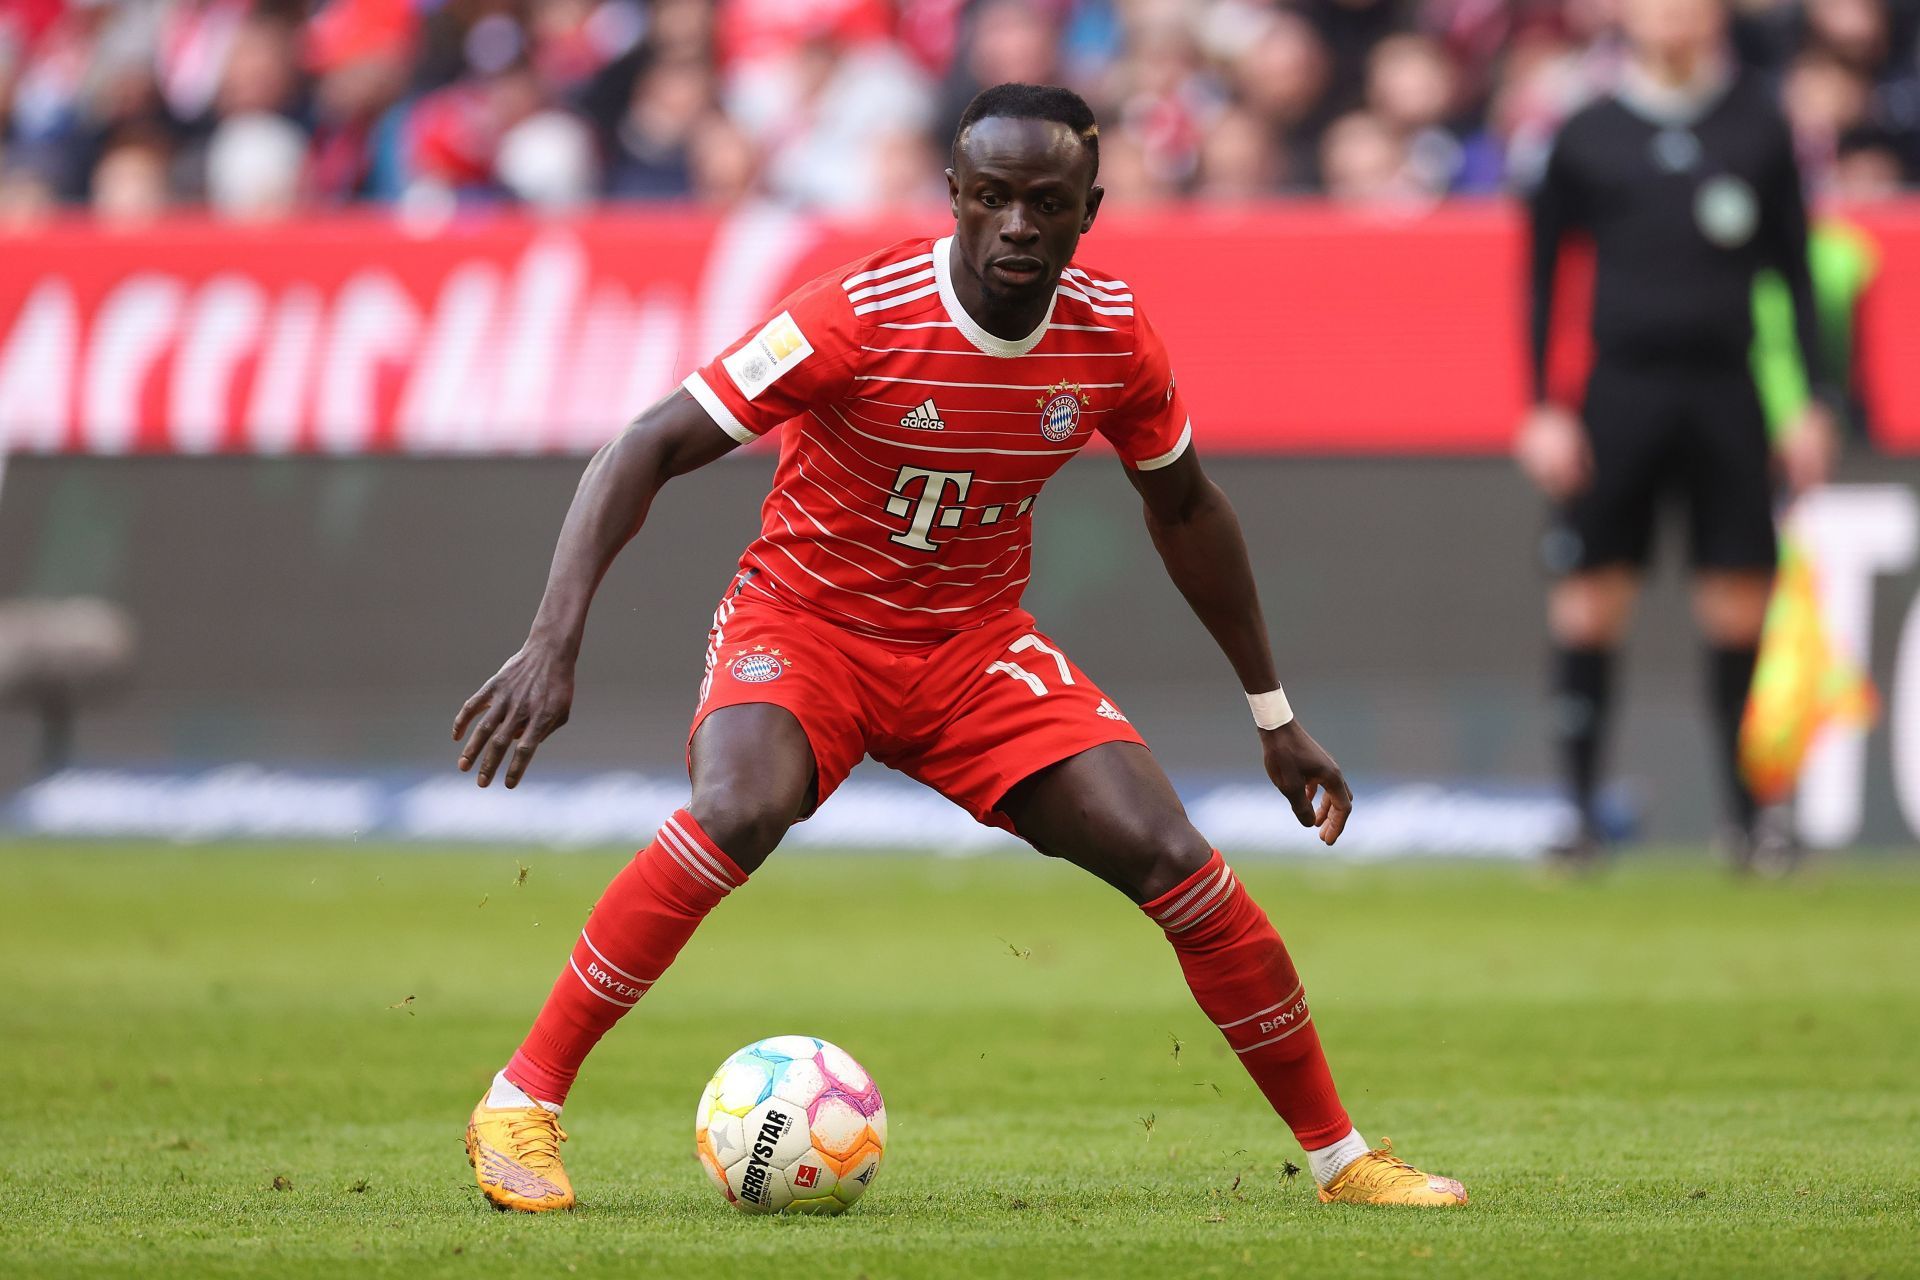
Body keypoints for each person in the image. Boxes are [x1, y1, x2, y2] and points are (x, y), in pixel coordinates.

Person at [453, 83, 1469, 1212]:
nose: (1018, 226)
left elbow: (1186, 509)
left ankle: (1342, 1158)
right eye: (992, 198)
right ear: (955, 198)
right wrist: (553, 639)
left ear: (1091, 206)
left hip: (973, 649)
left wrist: (1274, 715)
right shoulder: (857, 313)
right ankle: (520, 1102)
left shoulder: (1114, 337)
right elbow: (646, 443)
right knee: (742, 804)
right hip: (807, 625)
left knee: (1173, 855)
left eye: (1046, 201)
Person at [1516, 0, 1836, 870]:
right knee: (1590, 597)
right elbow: (1542, 278)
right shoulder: (1584, 133)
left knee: (1737, 602)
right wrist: (1543, 404)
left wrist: (1811, 400)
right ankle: (1579, 816)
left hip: (1726, 390)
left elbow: (1798, 274)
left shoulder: (1762, 128)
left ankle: (1752, 820)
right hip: (1620, 393)